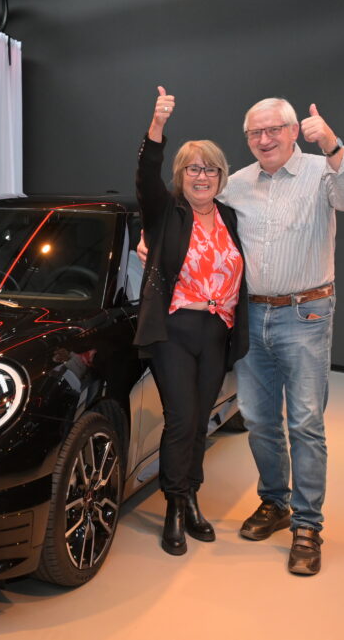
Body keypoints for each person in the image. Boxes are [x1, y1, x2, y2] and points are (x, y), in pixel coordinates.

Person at [139, 97, 344, 575]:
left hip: (302, 314)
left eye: (273, 130)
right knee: (258, 420)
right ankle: (272, 501)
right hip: (244, 319)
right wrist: (151, 238)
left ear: (292, 130)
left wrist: (331, 143)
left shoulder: (317, 172)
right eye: (255, 133)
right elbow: (162, 198)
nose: (265, 139)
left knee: (304, 421)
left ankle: (307, 525)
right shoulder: (233, 187)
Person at [135, 86, 248, 557]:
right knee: (181, 420)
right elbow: (145, 176)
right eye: (193, 169)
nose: (202, 176)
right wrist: (157, 125)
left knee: (201, 421)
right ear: (181, 175)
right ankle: (175, 508)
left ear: (221, 176)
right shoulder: (168, 213)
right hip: (175, 332)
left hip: (217, 332)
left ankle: (192, 496)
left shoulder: (231, 218)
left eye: (210, 169)